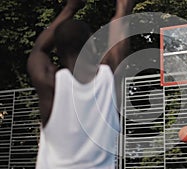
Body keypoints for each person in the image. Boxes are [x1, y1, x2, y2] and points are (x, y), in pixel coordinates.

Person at [27, 0, 134, 168]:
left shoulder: (51, 84)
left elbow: (38, 49)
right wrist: (123, 6)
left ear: (58, 51)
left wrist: (71, 7)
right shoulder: (109, 77)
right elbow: (122, 14)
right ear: (92, 46)